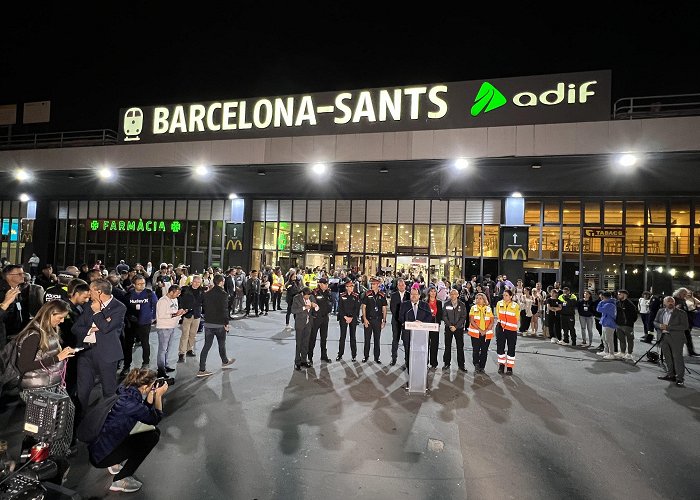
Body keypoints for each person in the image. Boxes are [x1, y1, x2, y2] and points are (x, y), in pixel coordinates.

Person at [88, 368, 166, 493]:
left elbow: (142, 410)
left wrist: (151, 393)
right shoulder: (131, 404)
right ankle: (121, 479)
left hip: (98, 448)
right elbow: (155, 418)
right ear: (145, 386)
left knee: (152, 432)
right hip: (102, 457)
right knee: (153, 436)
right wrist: (159, 396)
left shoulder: (125, 390)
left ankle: (114, 464)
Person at [72, 278, 127, 412]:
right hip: (86, 353)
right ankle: (78, 423)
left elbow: (106, 328)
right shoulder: (88, 305)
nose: (88, 293)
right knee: (82, 391)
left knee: (108, 392)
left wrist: (97, 313)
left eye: (91, 290)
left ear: (99, 291)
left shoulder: (119, 307)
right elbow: (75, 328)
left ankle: (107, 423)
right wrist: (91, 328)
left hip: (107, 355)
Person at [15, 300, 76, 399]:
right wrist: (57, 358)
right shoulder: (33, 335)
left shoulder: (50, 330)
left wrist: (63, 353)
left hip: (50, 384)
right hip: (36, 389)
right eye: (60, 317)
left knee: (65, 413)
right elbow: (23, 366)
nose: (62, 321)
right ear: (50, 314)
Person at [197, 274, 235, 377]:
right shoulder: (224, 294)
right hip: (219, 324)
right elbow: (224, 310)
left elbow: (204, 307)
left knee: (206, 346)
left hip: (208, 324)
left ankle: (202, 369)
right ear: (222, 282)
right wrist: (226, 323)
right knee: (221, 344)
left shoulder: (207, 294)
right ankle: (225, 361)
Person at [122, 276, 158, 375]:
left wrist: (154, 317)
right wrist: (128, 317)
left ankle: (146, 363)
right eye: (139, 284)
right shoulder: (128, 295)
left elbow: (156, 305)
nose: (142, 286)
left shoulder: (149, 294)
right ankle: (126, 366)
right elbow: (124, 308)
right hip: (131, 323)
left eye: (143, 284)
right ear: (134, 284)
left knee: (145, 343)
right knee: (128, 345)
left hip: (145, 323)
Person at [654, 296, 689, 387]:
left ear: (674, 303)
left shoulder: (681, 313)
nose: (670, 303)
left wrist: (668, 327)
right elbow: (655, 322)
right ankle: (670, 375)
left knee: (677, 358)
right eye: (668, 301)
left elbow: (685, 326)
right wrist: (660, 325)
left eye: (672, 301)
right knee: (667, 357)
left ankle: (680, 378)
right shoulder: (660, 311)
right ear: (664, 303)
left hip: (676, 338)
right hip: (663, 337)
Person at [399, 287, 433, 374]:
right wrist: (412, 323)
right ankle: (409, 367)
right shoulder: (404, 305)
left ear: (419, 295)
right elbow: (401, 317)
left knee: (420, 351)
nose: (413, 296)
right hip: (408, 333)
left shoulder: (425, 305)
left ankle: (421, 367)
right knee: (408, 350)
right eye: (412, 294)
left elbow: (429, 317)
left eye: (415, 294)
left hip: (421, 334)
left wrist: (421, 323)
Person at [155, 284, 185, 378]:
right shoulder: (162, 301)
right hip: (164, 328)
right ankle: (160, 369)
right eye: (177, 293)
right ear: (171, 292)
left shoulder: (174, 299)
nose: (178, 295)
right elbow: (161, 315)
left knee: (168, 348)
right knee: (162, 349)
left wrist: (180, 314)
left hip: (172, 326)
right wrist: (175, 314)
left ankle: (165, 365)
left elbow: (174, 313)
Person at [361, 277, 388, 363]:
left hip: (377, 320)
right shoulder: (367, 294)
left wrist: (384, 321)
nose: (372, 285)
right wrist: (364, 319)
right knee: (367, 340)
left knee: (377, 340)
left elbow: (384, 309)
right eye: (372, 284)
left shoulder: (382, 295)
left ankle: (377, 357)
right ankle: (366, 356)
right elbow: (363, 307)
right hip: (368, 320)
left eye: (374, 284)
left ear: (378, 285)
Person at [178, 275, 204, 363]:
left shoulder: (202, 291)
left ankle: (189, 349)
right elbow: (180, 301)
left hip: (197, 315)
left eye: (198, 282)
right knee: (185, 334)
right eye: (195, 281)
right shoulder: (185, 289)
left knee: (193, 334)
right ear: (192, 281)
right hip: (187, 314)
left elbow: (204, 302)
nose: (196, 284)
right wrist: (182, 310)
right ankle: (181, 353)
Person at [467, 292, 495, 373]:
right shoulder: (473, 308)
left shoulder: (488, 309)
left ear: (484, 300)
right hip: (476, 333)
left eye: (480, 298)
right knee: (475, 350)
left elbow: (492, 322)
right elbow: (472, 321)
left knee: (484, 351)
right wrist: (480, 330)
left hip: (486, 334)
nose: (478, 300)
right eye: (477, 298)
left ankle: (482, 366)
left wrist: (485, 331)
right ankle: (476, 364)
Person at [494, 289, 520, 374]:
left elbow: (517, 317)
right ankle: (501, 365)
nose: (504, 297)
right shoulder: (499, 304)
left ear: (511, 296)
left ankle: (509, 367)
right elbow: (498, 315)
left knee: (511, 348)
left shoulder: (515, 306)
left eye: (506, 295)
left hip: (511, 330)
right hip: (500, 328)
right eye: (504, 295)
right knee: (500, 347)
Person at [292, 287, 317, 370]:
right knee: (299, 343)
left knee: (306, 343)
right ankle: (297, 362)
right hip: (300, 323)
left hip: (308, 323)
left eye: (309, 296)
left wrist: (315, 306)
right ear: (303, 294)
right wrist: (304, 307)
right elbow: (293, 310)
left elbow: (316, 308)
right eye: (306, 296)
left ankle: (304, 360)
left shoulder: (311, 297)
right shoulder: (296, 298)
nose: (308, 297)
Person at [442, 288, 467, 372]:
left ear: (458, 295)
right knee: (447, 346)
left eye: (454, 294)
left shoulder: (462, 305)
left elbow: (463, 317)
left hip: (459, 329)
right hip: (449, 328)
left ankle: (461, 365)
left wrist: (456, 326)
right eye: (451, 294)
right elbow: (444, 316)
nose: (453, 295)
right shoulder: (446, 304)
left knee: (460, 347)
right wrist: (450, 326)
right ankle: (446, 363)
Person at [336, 280, 361, 361]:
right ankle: (340, 354)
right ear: (346, 287)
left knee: (353, 337)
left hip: (352, 318)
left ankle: (354, 355)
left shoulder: (356, 296)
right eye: (350, 286)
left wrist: (351, 317)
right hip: (344, 318)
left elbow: (356, 308)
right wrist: (345, 317)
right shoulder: (342, 295)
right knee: (342, 336)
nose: (352, 288)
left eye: (352, 286)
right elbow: (340, 308)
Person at [308, 277, 332, 363]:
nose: (326, 285)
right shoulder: (314, 292)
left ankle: (324, 355)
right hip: (316, 318)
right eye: (325, 284)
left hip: (325, 317)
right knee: (313, 337)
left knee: (324, 337)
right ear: (320, 284)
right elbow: (309, 302)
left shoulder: (328, 292)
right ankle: (310, 357)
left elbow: (330, 302)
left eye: (327, 284)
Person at [389, 278, 411, 366]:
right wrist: (399, 319)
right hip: (396, 321)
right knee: (395, 340)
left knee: (406, 341)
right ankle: (393, 358)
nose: (401, 286)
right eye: (399, 285)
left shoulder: (409, 295)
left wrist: (405, 320)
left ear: (405, 286)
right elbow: (392, 308)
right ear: (397, 286)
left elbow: (410, 308)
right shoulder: (393, 295)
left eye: (403, 285)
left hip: (406, 322)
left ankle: (407, 360)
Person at [615, 289, 638, 360]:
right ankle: (622, 352)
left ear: (624, 295)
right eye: (618, 294)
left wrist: (629, 322)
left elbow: (635, 316)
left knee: (630, 340)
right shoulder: (617, 303)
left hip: (628, 325)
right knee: (621, 339)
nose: (618, 295)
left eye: (620, 294)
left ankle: (629, 353)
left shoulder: (630, 304)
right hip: (619, 324)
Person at [424, 287, 443, 369]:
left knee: (434, 345)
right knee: (426, 344)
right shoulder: (425, 302)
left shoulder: (439, 302)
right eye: (431, 291)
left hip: (435, 325)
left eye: (434, 291)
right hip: (426, 325)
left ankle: (434, 363)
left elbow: (440, 314)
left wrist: (438, 324)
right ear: (429, 293)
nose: (433, 293)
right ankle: (425, 362)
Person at [596, 291, 618, 360]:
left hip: (609, 324)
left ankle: (611, 353)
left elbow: (598, 309)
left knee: (609, 339)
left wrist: (601, 301)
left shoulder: (609, 304)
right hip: (605, 322)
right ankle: (606, 351)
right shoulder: (608, 303)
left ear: (604, 297)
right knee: (604, 338)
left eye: (602, 297)